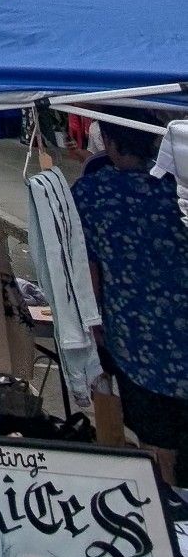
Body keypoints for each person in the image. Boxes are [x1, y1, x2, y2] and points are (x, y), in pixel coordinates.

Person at [72, 121, 188, 483]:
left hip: (135, 340)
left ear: (109, 141)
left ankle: (171, 517)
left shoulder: (93, 193)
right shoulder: (176, 187)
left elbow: (89, 269)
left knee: (156, 448)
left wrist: (94, 328)